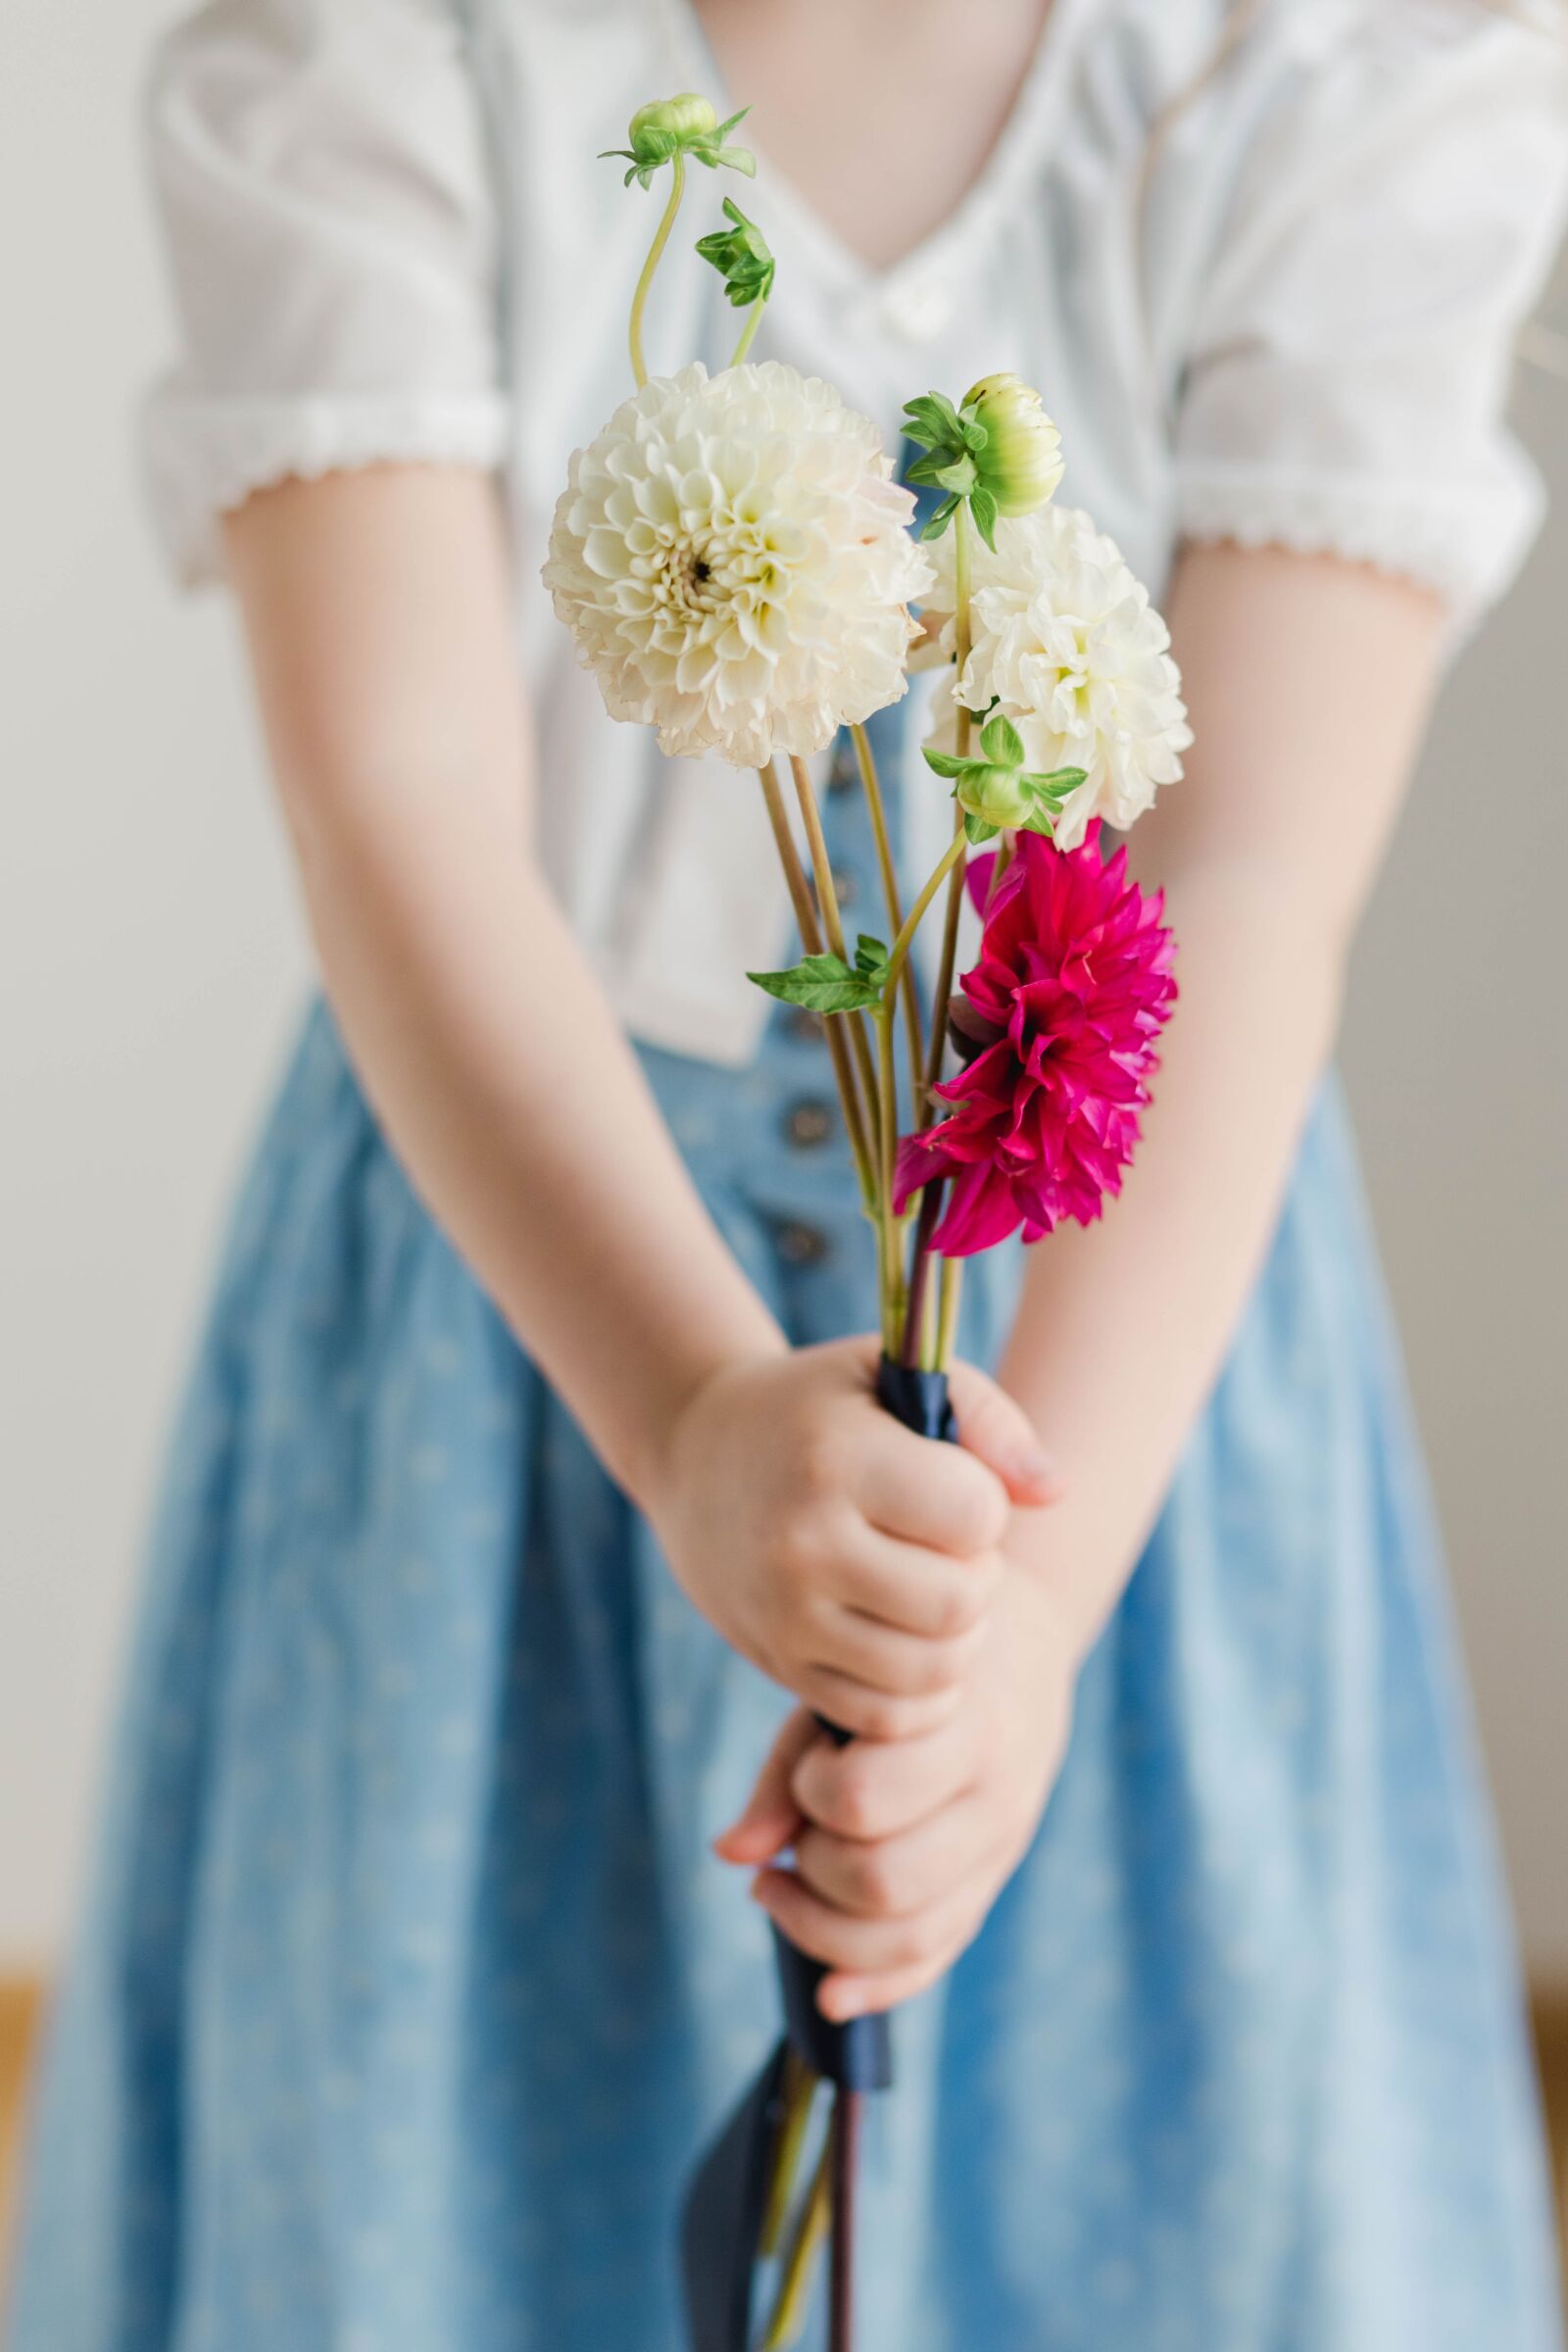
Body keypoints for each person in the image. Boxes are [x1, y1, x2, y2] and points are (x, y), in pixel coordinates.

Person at [9, 0, 1568, 2345]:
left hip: (1097, 1382)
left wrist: (1023, 1624)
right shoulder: (391, 49)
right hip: (513, 1330)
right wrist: (687, 1417)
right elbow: (397, 811)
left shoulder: (1336, 63)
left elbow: (1240, 875)